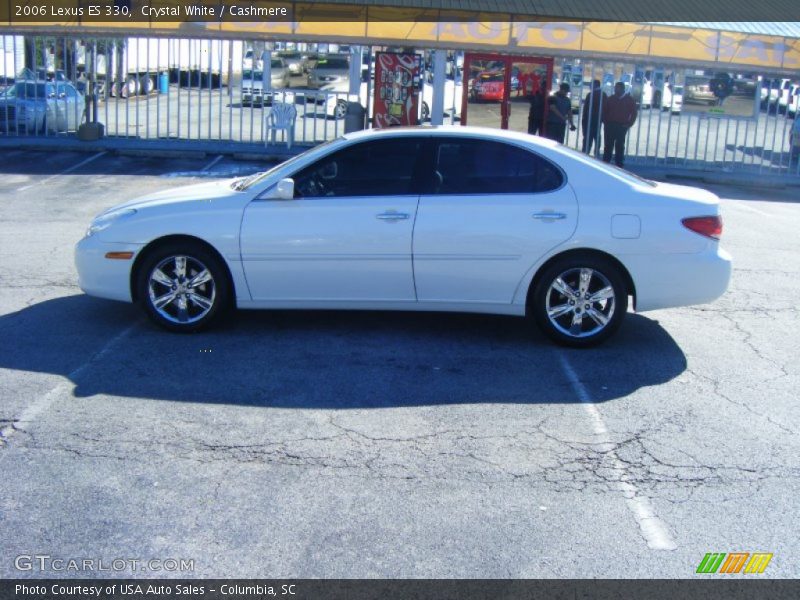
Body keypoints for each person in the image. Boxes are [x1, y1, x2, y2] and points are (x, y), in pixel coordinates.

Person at [602, 82, 638, 168]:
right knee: (608, 145)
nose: (616, 90)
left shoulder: (629, 100)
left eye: (618, 88)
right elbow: (604, 111)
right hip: (610, 125)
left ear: (623, 89)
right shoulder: (610, 99)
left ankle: (619, 164)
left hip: (622, 126)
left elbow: (634, 113)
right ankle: (605, 163)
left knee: (620, 146)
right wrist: (606, 122)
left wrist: (629, 124)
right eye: (615, 88)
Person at [581, 79, 605, 155]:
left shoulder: (590, 95)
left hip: (589, 120)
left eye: (591, 84)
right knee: (597, 136)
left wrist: (584, 119)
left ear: (595, 85)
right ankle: (596, 153)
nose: (589, 86)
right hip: (599, 120)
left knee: (588, 138)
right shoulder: (603, 95)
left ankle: (585, 153)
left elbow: (586, 109)